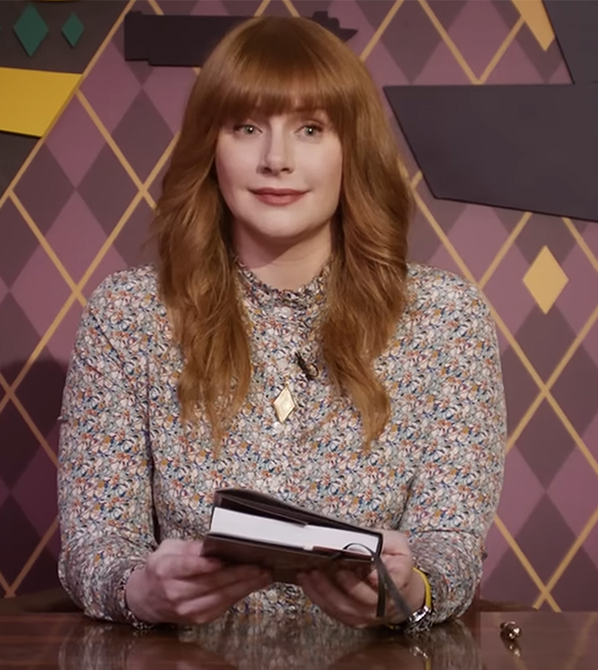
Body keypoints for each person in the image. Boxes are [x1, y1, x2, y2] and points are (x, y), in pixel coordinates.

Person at [56, 15, 506, 632]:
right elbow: (95, 545)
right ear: (210, 149)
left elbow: (449, 547)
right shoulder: (130, 316)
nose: (276, 159)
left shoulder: (446, 319)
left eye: (311, 128)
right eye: (246, 127)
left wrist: (410, 592)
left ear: (353, 149)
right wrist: (137, 591)